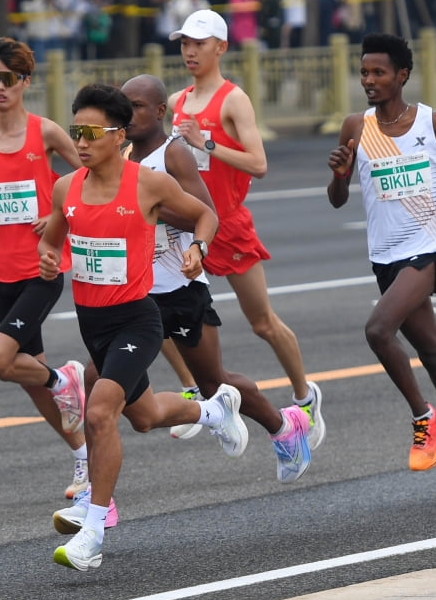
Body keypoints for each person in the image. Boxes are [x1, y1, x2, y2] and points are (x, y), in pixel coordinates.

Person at [39, 83, 248, 572]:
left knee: (100, 412)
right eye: (76, 132)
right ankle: (213, 413)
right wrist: (50, 261)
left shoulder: (145, 185)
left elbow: (204, 215)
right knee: (147, 415)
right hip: (94, 324)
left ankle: (93, 529)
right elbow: (52, 241)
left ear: (118, 135)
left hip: (138, 318)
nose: (82, 141)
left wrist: (197, 248)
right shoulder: (66, 187)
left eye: (92, 132)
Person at [121, 74, 311, 483]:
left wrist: (156, 212)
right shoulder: (121, 158)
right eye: (124, 105)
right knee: (102, 379)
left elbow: (205, 212)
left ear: (159, 112)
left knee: (214, 382)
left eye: (137, 105)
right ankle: (91, 488)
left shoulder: (173, 155)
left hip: (182, 289)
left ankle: (284, 426)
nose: (129, 114)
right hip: (139, 295)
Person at [327, 33, 436, 489]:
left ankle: (425, 420)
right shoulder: (356, 127)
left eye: (378, 72)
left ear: (402, 75)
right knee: (434, 354)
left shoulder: (431, 121)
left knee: (378, 330)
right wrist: (339, 175)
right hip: (386, 255)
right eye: (364, 72)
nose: (369, 80)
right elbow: (338, 200)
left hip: (430, 246)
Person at [0, 36, 93, 501]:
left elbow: (88, 172)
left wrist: (58, 213)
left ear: (25, 82)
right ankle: (83, 456)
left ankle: (64, 379)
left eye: (8, 79)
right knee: (31, 382)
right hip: (1, 272)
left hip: (42, 266)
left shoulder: (44, 132)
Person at [168, 9, 325, 447]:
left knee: (262, 323)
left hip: (230, 225)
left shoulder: (232, 100)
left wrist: (208, 143)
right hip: (188, 224)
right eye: (184, 43)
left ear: (221, 46)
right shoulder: (177, 102)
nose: (189, 51)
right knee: (159, 313)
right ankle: (195, 393)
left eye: (198, 43)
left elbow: (259, 164)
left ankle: (305, 397)